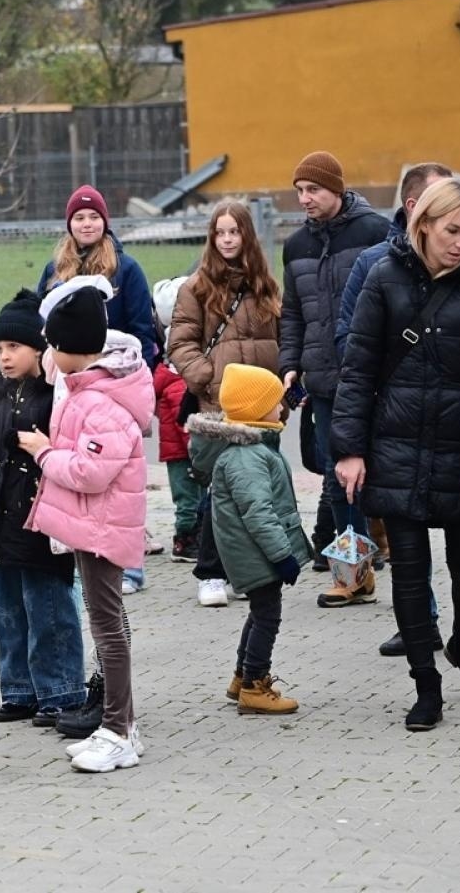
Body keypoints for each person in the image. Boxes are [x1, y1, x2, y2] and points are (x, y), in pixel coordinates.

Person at [333, 179, 460, 732]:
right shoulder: (382, 278)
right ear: (423, 226)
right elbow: (358, 368)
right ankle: (426, 683)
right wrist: (349, 450)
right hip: (396, 448)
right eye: (452, 231)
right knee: (410, 577)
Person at [20, 276, 153, 773]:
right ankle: (124, 724)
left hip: (103, 527)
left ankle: (118, 729)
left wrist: (45, 453)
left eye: (54, 345)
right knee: (108, 622)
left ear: (74, 349)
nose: (49, 353)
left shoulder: (101, 403)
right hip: (94, 526)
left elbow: (90, 472)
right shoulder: (87, 390)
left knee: (107, 629)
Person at [0, 290, 86, 725]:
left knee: (49, 610)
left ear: (39, 348)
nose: (5, 357)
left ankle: (61, 689)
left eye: (15, 347)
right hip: (1, 520)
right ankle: (19, 690)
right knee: (7, 612)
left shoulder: (56, 397)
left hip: (43, 521)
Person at [279, 150, 392, 608]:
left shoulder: (375, 232)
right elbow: (292, 312)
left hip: (374, 376)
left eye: (313, 190)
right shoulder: (295, 246)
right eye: (300, 191)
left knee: (381, 471)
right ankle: (353, 574)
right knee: (336, 474)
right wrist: (290, 362)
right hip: (323, 381)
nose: (305, 199)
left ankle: (397, 556)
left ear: (337, 189)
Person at [167, 200, 282, 606]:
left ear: (247, 235)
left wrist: (280, 387)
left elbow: (281, 339)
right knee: (219, 489)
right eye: (220, 232)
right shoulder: (195, 287)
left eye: (235, 231)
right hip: (218, 404)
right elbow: (180, 342)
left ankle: (243, 571)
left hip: (261, 406)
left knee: (255, 491)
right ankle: (210, 572)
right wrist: (206, 379)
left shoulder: (265, 284)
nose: (228, 239)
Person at [193, 364, 311, 715]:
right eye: (275, 403)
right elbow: (258, 514)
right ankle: (254, 685)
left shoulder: (251, 447)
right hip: (255, 552)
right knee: (267, 617)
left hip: (250, 551)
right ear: (257, 409)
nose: (281, 408)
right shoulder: (248, 457)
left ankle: (242, 675)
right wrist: (282, 556)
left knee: (260, 613)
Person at [37, 185, 158, 368]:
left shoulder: (127, 269)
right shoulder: (54, 269)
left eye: (94, 217)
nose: (87, 223)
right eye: (79, 218)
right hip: (61, 371)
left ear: (104, 222)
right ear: (70, 224)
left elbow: (142, 330)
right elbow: (38, 322)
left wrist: (143, 374)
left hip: (114, 369)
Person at [150, 278, 198, 566]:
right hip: (186, 451)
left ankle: (185, 537)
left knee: (184, 497)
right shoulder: (180, 383)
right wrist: (196, 450)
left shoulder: (163, 378)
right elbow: (186, 424)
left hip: (174, 453)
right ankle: (185, 540)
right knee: (189, 499)